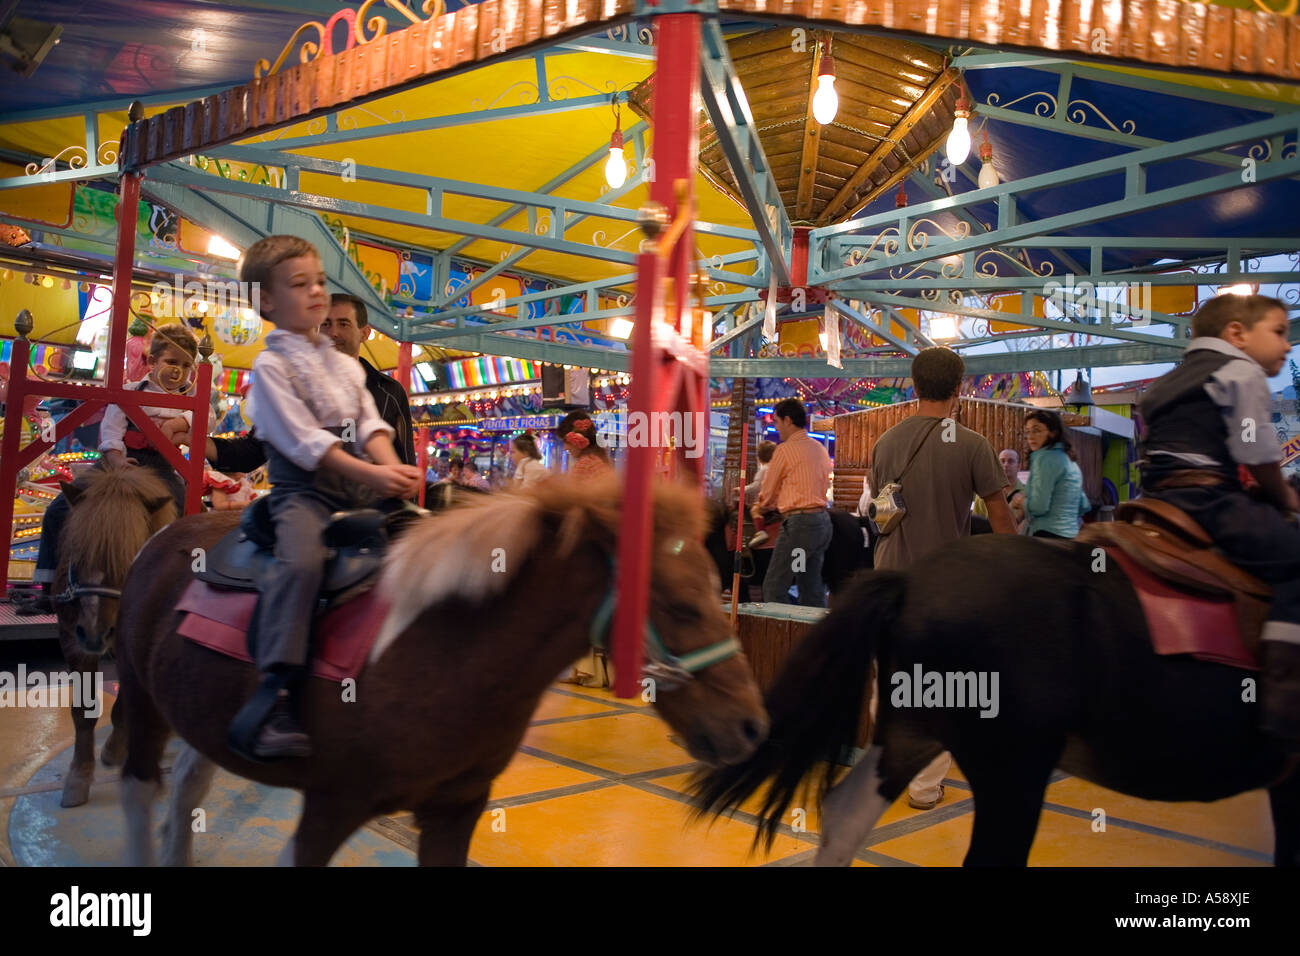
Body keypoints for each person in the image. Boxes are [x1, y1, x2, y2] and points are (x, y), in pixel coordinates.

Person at [228, 235, 422, 760]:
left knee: (427, 539)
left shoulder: (344, 367)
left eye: (319, 281)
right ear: (266, 301)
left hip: (358, 487)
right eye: (299, 284)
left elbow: (370, 423)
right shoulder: (270, 369)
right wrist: (373, 474)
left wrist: (393, 467)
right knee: (302, 562)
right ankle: (277, 692)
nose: (316, 292)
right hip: (303, 494)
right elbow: (307, 444)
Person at [1138, 293, 1300, 745]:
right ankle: (1286, 691)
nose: (1287, 346)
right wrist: (1285, 496)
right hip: (1208, 501)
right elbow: (1258, 453)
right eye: (1280, 332)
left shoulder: (1171, 380)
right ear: (1237, 333)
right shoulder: (1241, 371)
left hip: (1155, 500)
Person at [868, 347, 1016, 810]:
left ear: (914, 386)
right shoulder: (972, 444)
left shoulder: (886, 441)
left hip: (888, 580)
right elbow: (998, 513)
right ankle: (925, 786)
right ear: (960, 388)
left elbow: (878, 508)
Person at [100, 323, 207, 510]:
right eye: (171, 362)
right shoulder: (130, 390)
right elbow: (112, 428)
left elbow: (209, 416)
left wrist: (176, 424)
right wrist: (115, 457)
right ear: (152, 362)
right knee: (62, 508)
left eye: (186, 365)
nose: (178, 370)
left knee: (189, 512)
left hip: (162, 468)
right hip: (124, 461)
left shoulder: (190, 396)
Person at [751, 398, 833, 607]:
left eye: (776, 422)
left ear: (788, 420)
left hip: (800, 528)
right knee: (809, 585)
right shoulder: (818, 449)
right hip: (820, 525)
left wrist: (759, 507)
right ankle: (811, 634)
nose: (776, 427)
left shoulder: (784, 450)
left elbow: (767, 493)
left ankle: (782, 636)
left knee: (774, 587)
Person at [319, 293, 416, 466]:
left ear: (364, 333)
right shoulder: (298, 382)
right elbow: (259, 444)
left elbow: (404, 461)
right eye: (325, 324)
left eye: (343, 324)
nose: (333, 333)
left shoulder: (388, 391)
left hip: (368, 490)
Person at [1022, 410, 1090, 539]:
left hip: (1047, 534)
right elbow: (1083, 504)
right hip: (1072, 535)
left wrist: (1021, 502)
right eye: (1028, 431)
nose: (1030, 437)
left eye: (1036, 430)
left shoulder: (1044, 458)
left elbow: (1039, 507)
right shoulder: (1070, 460)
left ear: (1053, 433)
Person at [973, 448, 1027, 530]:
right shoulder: (984, 494)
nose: (1006, 464)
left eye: (1011, 461)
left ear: (1019, 466)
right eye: (1002, 461)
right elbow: (976, 522)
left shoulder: (1028, 493)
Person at [557, 411, 612, 479]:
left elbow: (573, 489)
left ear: (578, 439)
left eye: (566, 441)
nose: (564, 448)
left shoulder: (583, 465)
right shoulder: (599, 459)